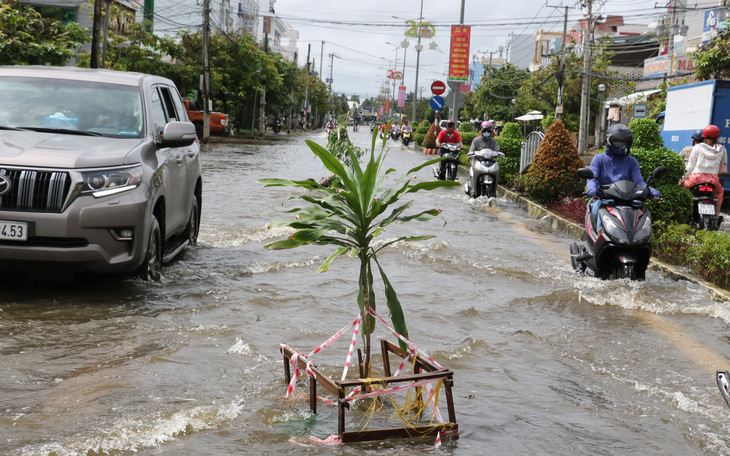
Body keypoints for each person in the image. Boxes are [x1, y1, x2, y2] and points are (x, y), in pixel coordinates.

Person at [586, 124, 661, 238]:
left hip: (627, 201)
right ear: (609, 140)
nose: (621, 144)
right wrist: (592, 189)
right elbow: (592, 177)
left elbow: (639, 182)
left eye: (624, 141)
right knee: (598, 209)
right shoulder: (599, 159)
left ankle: (641, 239)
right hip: (605, 200)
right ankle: (600, 239)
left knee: (642, 211)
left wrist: (650, 190)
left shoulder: (631, 161)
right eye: (617, 141)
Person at [682, 124, 727, 213]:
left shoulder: (697, 147)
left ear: (704, 136)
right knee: (720, 192)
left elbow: (690, 166)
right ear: (717, 136)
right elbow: (723, 166)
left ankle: (684, 213)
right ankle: (717, 214)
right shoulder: (722, 149)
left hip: (696, 179)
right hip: (713, 180)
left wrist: (682, 179)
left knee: (683, 189)